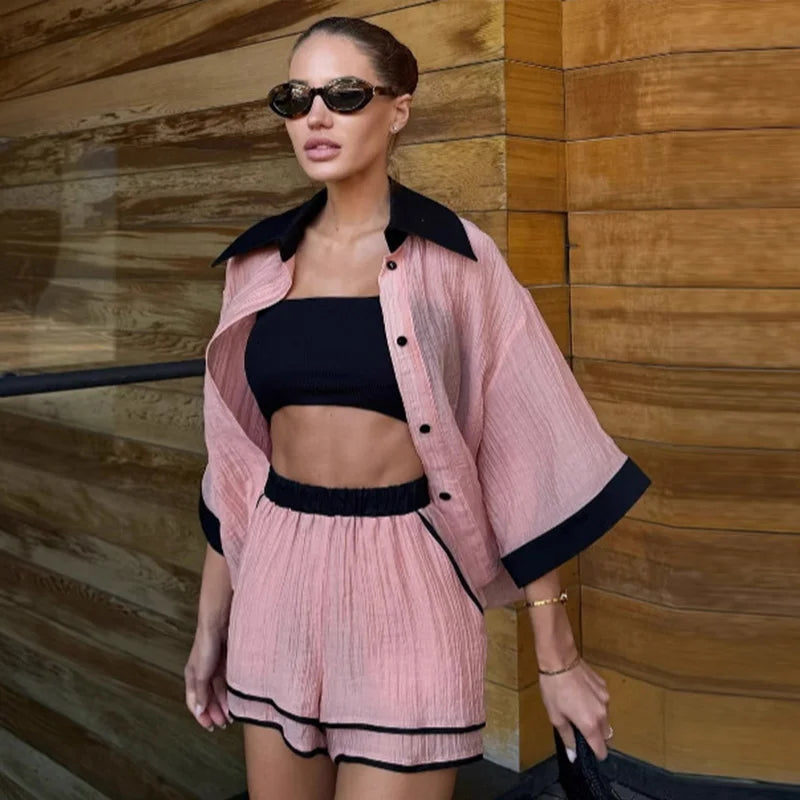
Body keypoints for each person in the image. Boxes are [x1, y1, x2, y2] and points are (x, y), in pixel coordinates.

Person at [184, 15, 651, 800]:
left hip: (407, 575)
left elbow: (525, 451)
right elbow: (235, 472)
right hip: (277, 575)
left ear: (397, 107)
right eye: (295, 99)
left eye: (343, 93)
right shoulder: (256, 265)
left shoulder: (457, 260)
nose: (316, 117)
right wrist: (209, 630)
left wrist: (556, 658)